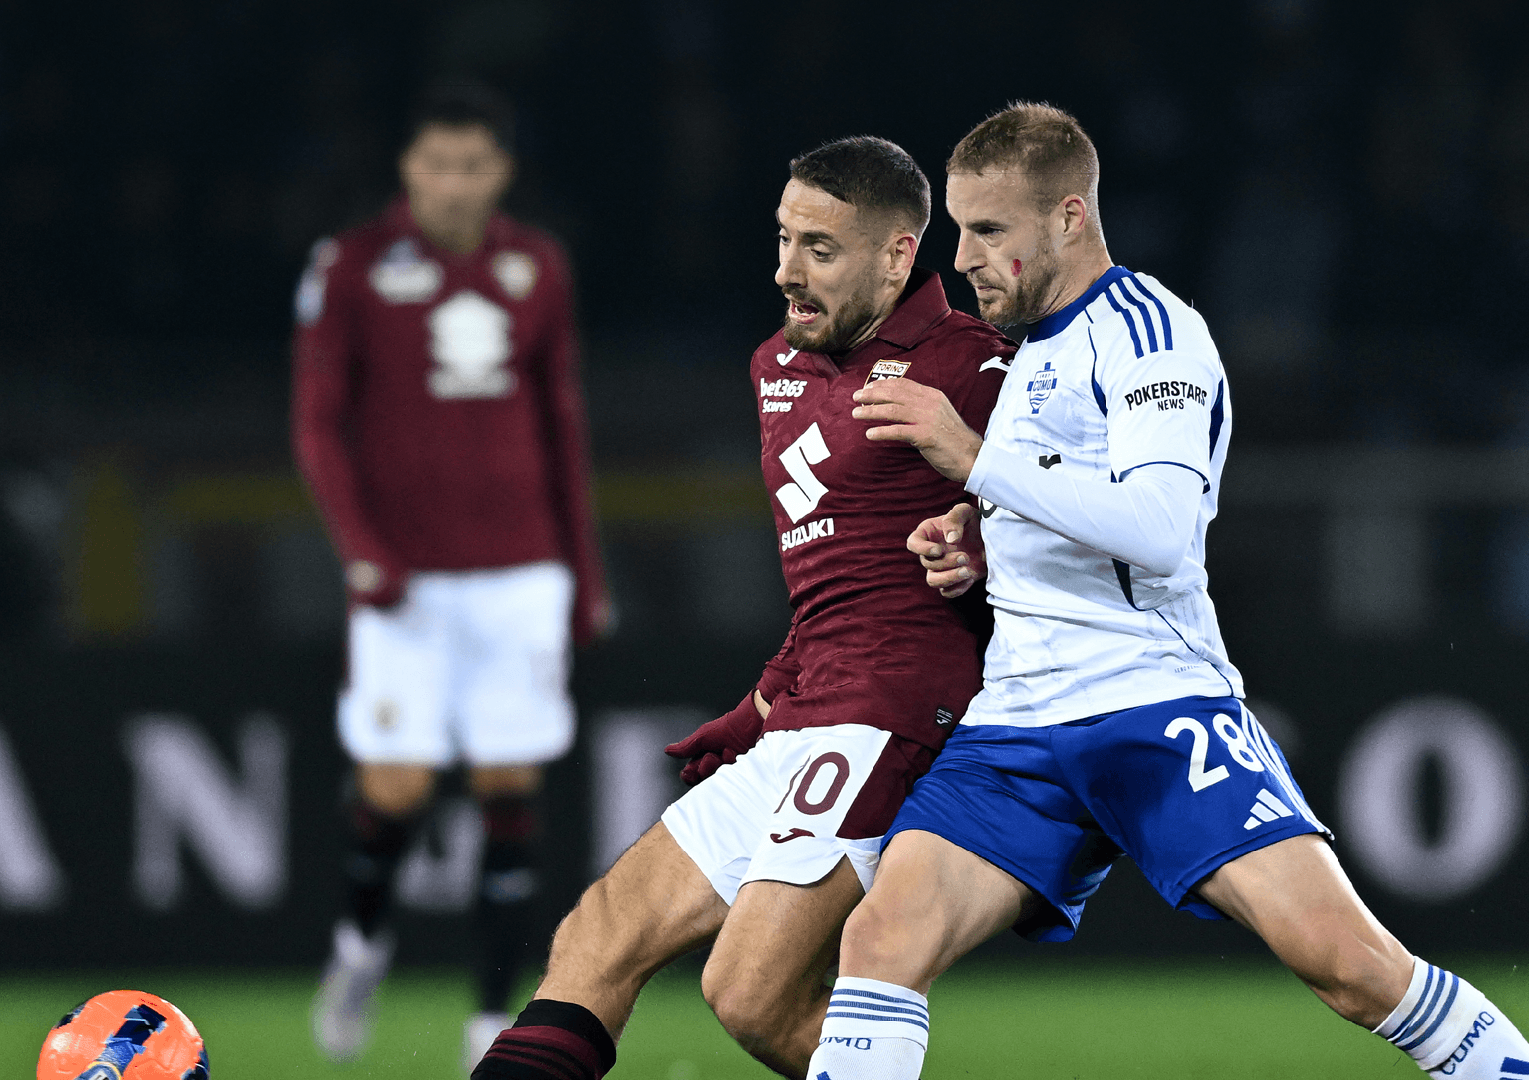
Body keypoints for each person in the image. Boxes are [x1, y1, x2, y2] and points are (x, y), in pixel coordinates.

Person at [806, 103, 1529, 1080]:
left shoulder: (1152, 334)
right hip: (1020, 720)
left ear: (1069, 217)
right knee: (880, 942)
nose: (964, 257)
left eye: (989, 229)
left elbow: (1161, 529)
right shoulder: (1031, 351)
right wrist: (986, 537)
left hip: (1153, 705)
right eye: (958, 228)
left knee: (1350, 968)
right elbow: (1065, 494)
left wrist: (975, 459)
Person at [470, 136, 1015, 1080]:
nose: (787, 271)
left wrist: (986, 543)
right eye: (784, 239)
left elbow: (1063, 523)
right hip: (809, 709)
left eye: (819, 249)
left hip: (896, 711)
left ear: (897, 256)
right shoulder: (777, 366)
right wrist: (763, 700)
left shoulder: (973, 363)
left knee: (749, 991)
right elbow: (829, 582)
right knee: (600, 931)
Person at [292, 82, 612, 1069]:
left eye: (473, 165)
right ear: (409, 168)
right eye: (438, 164)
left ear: (500, 171)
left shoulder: (537, 265)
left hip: (521, 569)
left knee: (508, 781)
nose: (455, 184)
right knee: (394, 789)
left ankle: (489, 1020)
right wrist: (360, 548)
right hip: (405, 580)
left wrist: (583, 570)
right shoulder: (351, 266)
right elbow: (317, 422)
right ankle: (360, 943)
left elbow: (559, 420)